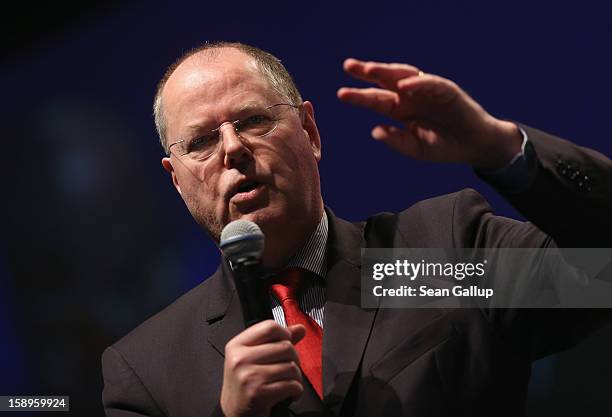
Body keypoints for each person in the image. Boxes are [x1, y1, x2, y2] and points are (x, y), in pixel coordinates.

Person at [101, 42, 612, 417]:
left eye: (254, 120)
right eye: (202, 141)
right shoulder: (147, 370)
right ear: (176, 178)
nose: (233, 148)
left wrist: (499, 147)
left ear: (311, 132)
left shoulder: (439, 247)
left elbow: (601, 276)